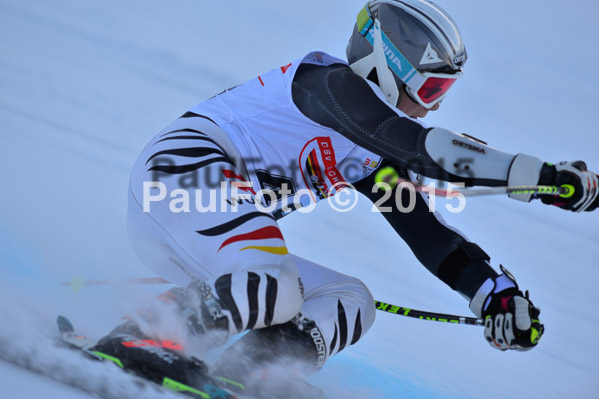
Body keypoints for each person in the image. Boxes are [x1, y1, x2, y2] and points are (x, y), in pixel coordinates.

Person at [93, 0, 598, 395]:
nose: (436, 105)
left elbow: (427, 232)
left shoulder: (369, 152)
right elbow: (424, 152)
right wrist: (538, 177)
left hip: (202, 233)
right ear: (387, 65)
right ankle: (141, 335)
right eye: (431, 89)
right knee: (278, 285)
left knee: (351, 300)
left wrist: (494, 294)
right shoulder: (330, 87)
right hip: (181, 175)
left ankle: (250, 372)